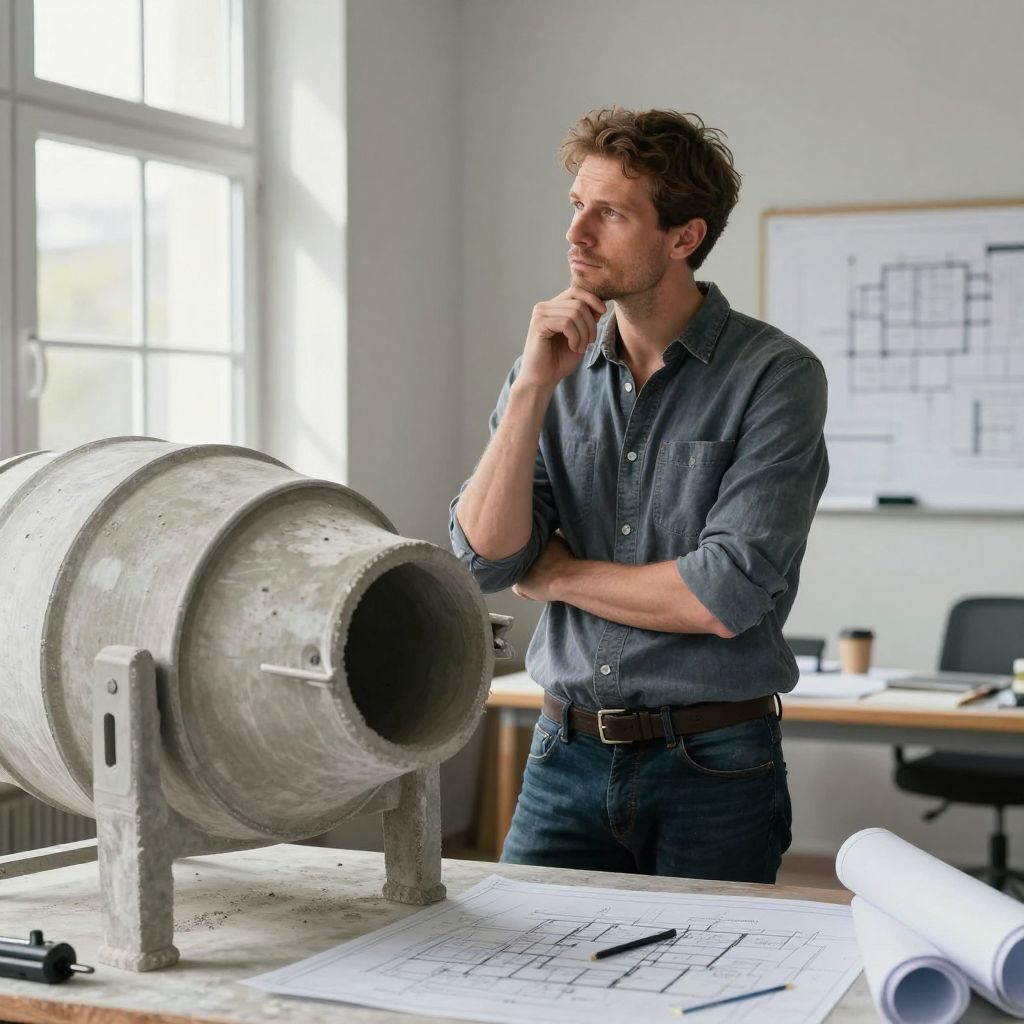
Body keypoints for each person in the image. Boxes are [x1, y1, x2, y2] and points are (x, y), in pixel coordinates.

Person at [449, 107, 828, 883]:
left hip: (714, 764)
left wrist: (552, 575)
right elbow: (485, 560)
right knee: (525, 994)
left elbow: (722, 593)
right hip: (562, 754)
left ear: (683, 237)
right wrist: (529, 390)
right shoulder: (549, 367)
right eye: (575, 206)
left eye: (611, 213)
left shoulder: (776, 376)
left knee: (707, 999)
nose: (576, 233)